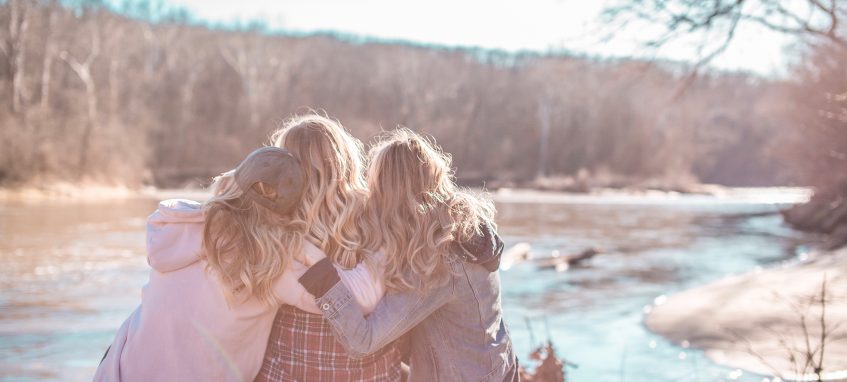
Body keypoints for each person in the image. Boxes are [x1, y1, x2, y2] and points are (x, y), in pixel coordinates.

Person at [94, 147, 382, 382]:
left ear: (234, 182)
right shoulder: (274, 264)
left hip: (116, 370)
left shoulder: (178, 225)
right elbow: (361, 298)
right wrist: (383, 243)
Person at [298, 129, 520, 382]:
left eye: (374, 186)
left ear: (390, 195)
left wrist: (322, 276)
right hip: (497, 368)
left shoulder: (438, 260)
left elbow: (362, 341)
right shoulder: (464, 229)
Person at [257, 114, 403, 381]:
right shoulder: (380, 218)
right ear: (345, 160)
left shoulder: (275, 224)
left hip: (289, 370)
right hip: (372, 374)